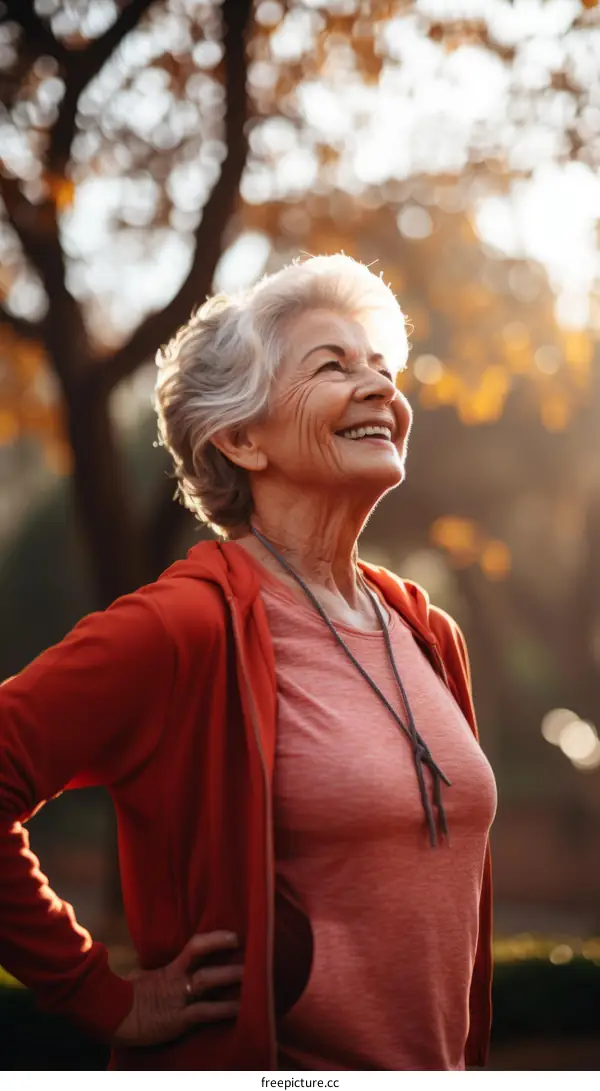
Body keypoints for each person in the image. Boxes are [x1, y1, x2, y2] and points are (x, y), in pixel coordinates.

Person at [0, 254, 496, 1071]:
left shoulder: (429, 633)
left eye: (382, 367)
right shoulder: (179, 628)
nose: (381, 388)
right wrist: (100, 995)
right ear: (239, 438)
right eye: (333, 365)